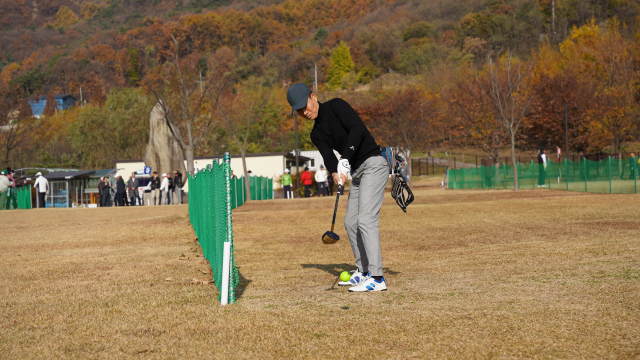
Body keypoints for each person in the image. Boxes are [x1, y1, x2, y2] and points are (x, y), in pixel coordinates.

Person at [288, 82, 389, 292]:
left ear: (313, 96)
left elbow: (358, 130)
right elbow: (328, 157)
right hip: (357, 173)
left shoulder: (336, 106)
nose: (304, 112)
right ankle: (363, 272)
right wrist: (336, 172)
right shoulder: (316, 134)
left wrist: (345, 157)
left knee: (366, 219)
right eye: (299, 111)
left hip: (373, 164)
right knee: (351, 222)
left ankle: (377, 278)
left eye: (304, 106)